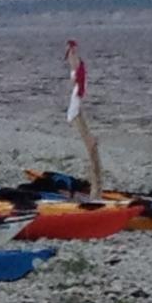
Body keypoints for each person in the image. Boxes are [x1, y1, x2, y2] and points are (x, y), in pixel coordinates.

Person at [64, 39, 103, 196]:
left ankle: (97, 190)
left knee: (76, 113)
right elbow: (72, 65)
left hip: (78, 94)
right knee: (76, 114)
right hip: (77, 92)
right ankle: (96, 188)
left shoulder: (77, 62)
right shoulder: (74, 60)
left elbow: (77, 73)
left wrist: (72, 53)